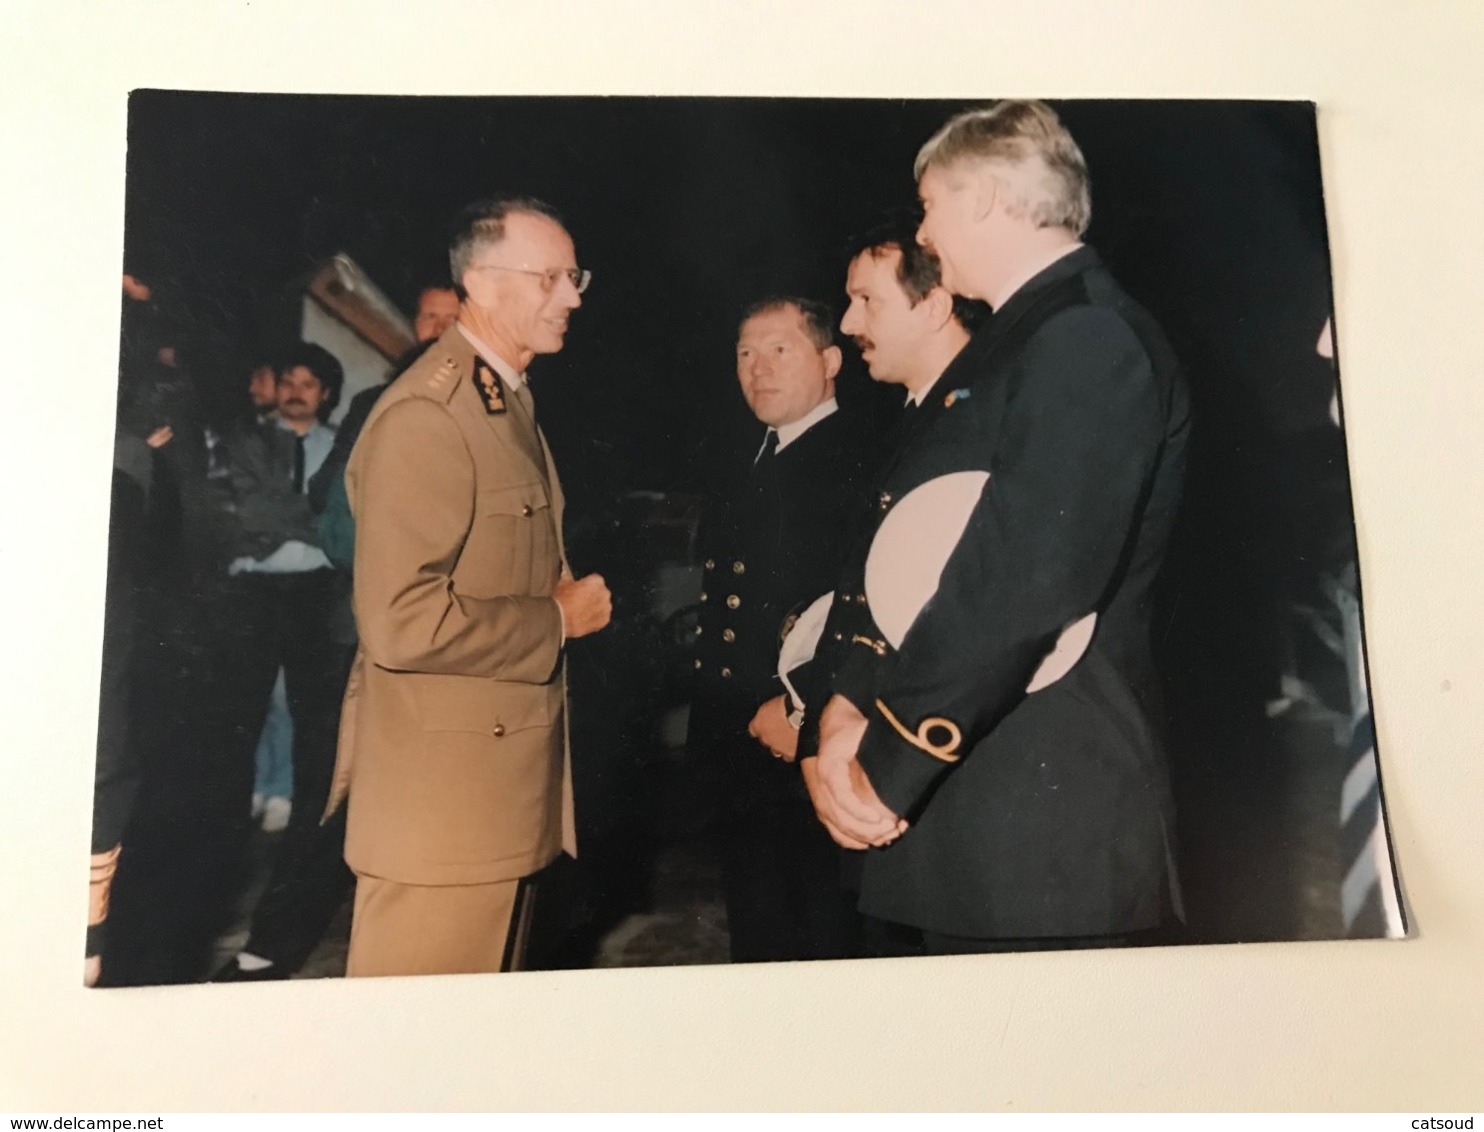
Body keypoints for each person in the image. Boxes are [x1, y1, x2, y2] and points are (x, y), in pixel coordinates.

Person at [803, 100, 1191, 954]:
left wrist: (892, 760)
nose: (926, 232)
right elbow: (915, 552)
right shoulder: (1018, 341)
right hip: (983, 805)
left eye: (930, 205)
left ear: (979, 197)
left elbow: (1024, 577)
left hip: (1040, 826)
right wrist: (843, 710)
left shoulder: (1085, 335)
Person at [324, 196, 612, 977]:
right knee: (413, 1073)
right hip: (442, 819)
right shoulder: (431, 414)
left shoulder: (503, 399)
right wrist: (554, 619)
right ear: (480, 286)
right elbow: (399, 621)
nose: (574, 295)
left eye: (575, 276)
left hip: (492, 800)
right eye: (552, 277)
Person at [689, 297, 873, 963]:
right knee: (759, 927)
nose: (756, 369)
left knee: (820, 932)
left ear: (830, 362)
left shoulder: (858, 458)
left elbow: (864, 605)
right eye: (744, 352)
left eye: (779, 350)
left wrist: (807, 710)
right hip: (739, 744)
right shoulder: (751, 455)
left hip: (806, 733)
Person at [211, 342, 357, 980]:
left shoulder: (339, 446)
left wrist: (290, 521)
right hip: (255, 589)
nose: (298, 390)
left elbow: (326, 517)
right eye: (289, 380)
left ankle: (288, 802)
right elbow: (253, 511)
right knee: (242, 709)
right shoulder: (248, 440)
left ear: (327, 393)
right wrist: (309, 523)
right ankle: (237, 821)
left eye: (310, 383)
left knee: (310, 713)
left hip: (316, 594)